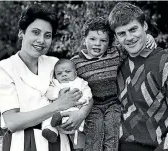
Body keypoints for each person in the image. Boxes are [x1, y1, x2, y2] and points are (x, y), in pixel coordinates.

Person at [0, 4, 90, 151]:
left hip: (59, 142)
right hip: (22, 143)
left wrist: (81, 114)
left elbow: (84, 90)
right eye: (35, 32)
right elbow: (12, 122)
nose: (41, 40)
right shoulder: (5, 68)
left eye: (47, 35)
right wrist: (58, 105)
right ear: (21, 33)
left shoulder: (55, 64)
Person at [71, 17, 156, 151]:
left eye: (103, 40)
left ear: (109, 43)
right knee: (95, 130)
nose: (97, 44)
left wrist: (148, 38)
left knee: (112, 128)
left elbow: (132, 45)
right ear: (84, 39)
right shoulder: (76, 62)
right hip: (92, 105)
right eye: (92, 39)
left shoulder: (114, 53)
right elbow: (66, 80)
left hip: (113, 102)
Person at [108, 2, 168, 151]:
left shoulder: (163, 62)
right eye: (122, 33)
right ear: (116, 37)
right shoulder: (118, 64)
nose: (129, 37)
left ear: (145, 27)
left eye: (133, 29)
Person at [41, 59, 92, 151]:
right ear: (55, 76)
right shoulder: (56, 84)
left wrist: (83, 100)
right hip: (58, 111)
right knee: (48, 116)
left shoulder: (80, 82)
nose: (64, 75)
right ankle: (50, 131)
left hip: (75, 109)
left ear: (75, 74)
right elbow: (49, 93)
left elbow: (87, 92)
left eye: (67, 72)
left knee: (78, 129)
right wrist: (58, 93)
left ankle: (79, 147)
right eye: (59, 73)